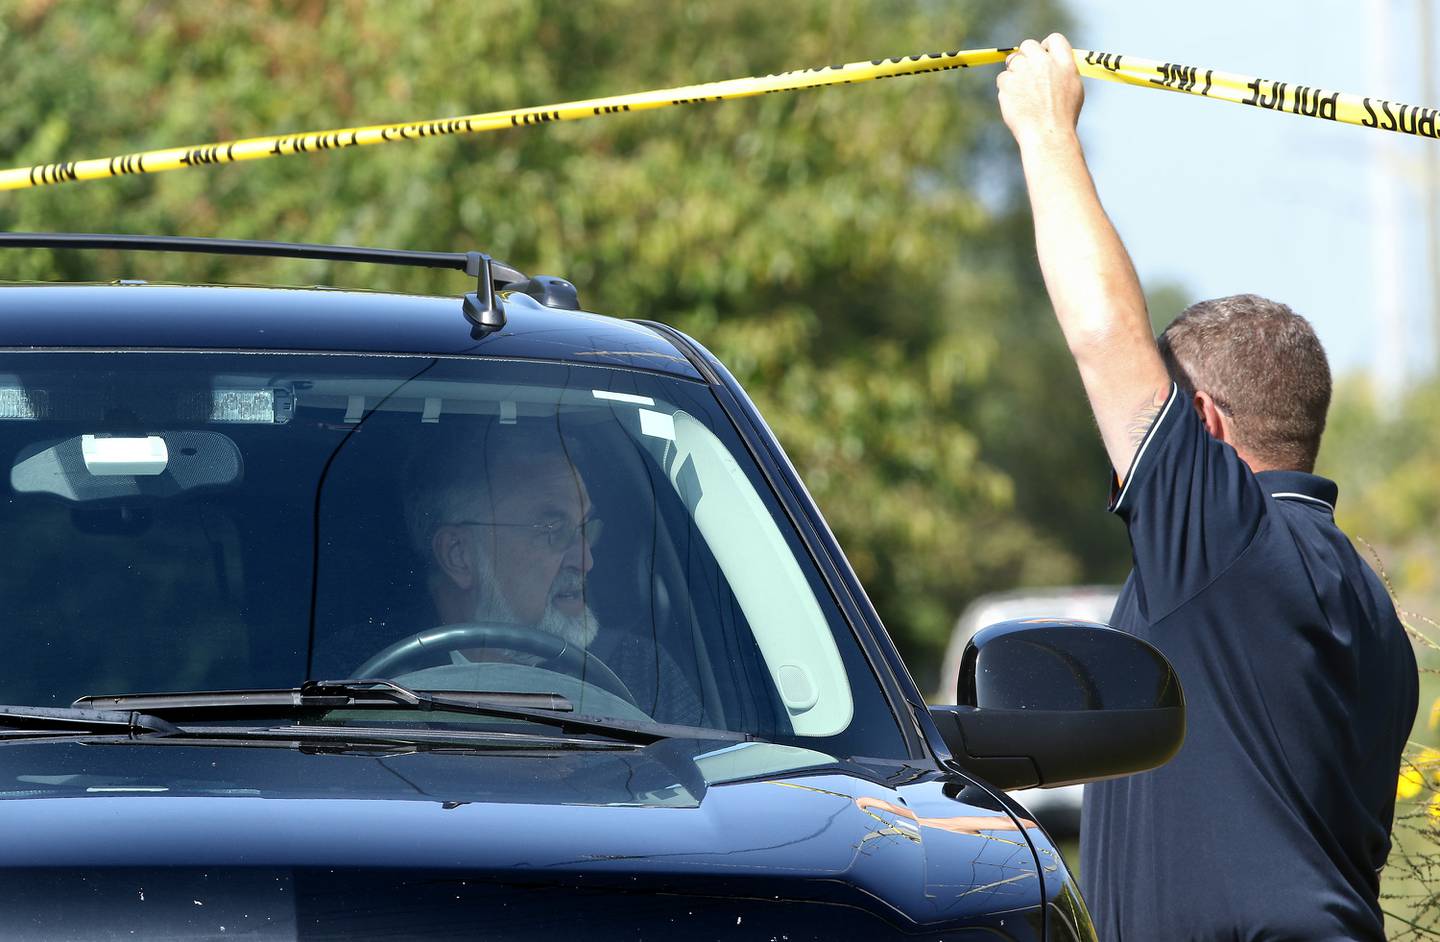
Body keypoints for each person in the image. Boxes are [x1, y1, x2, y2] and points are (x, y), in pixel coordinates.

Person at [996, 34, 1419, 941]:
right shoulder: (1361, 604)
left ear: (1208, 425)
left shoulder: (1230, 550)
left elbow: (1106, 334)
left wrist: (1045, 129)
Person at [400, 420, 705, 726]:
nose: (585, 561)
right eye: (552, 529)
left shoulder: (639, 675)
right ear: (459, 554)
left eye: (586, 528)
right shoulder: (363, 681)